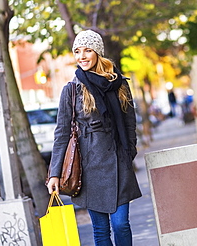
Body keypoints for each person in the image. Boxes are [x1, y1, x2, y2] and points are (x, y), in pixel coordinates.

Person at [47, 30, 142, 246]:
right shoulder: (71, 90)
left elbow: (129, 123)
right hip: (89, 167)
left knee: (121, 224)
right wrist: (54, 173)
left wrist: (129, 153)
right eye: (77, 51)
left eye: (87, 50)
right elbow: (61, 134)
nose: (82, 56)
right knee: (100, 230)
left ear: (98, 53)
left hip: (118, 162)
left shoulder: (118, 84)